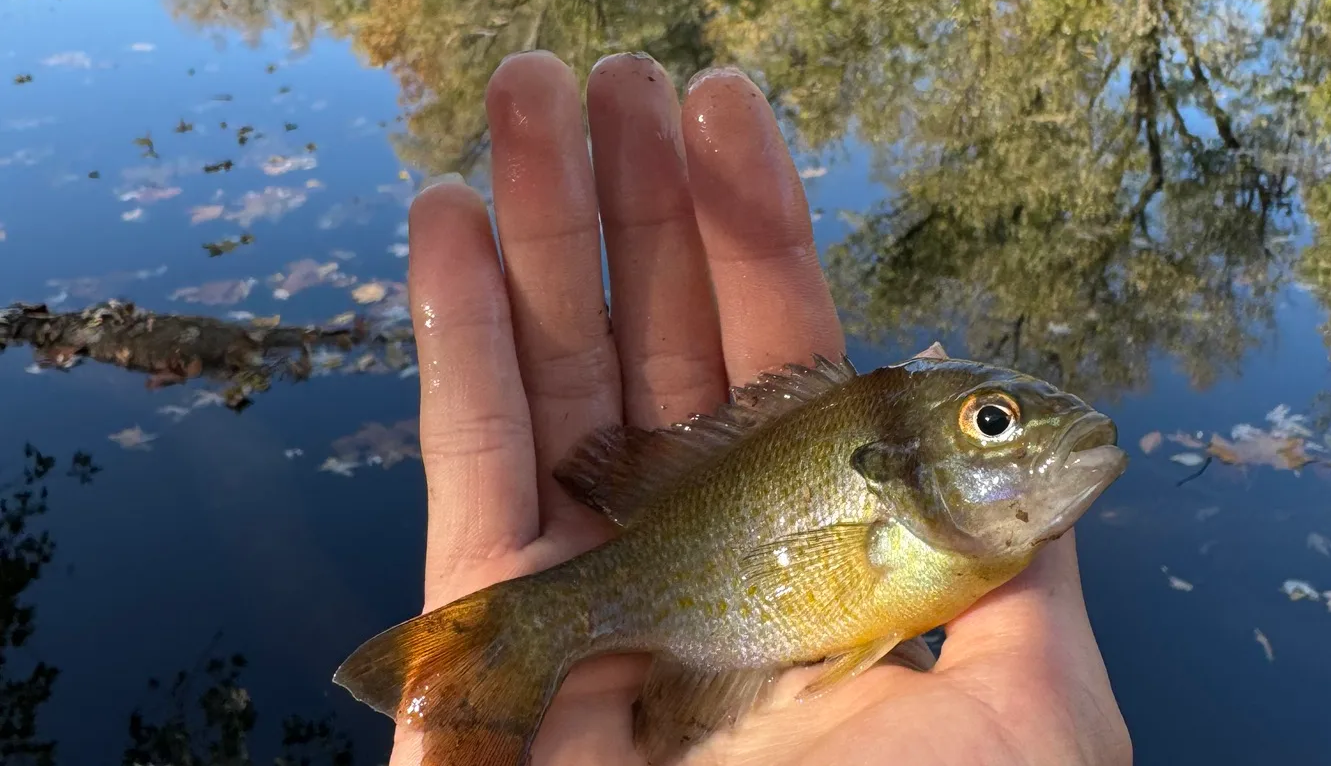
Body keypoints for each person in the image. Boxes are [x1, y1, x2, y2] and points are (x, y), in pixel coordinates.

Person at [389, 51, 1130, 765]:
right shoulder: (960, 539)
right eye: (993, 422)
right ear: (900, 468)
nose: (1029, 438)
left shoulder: (985, 546)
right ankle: (490, 661)